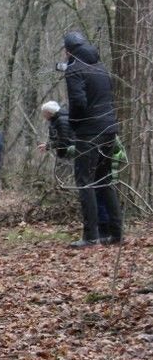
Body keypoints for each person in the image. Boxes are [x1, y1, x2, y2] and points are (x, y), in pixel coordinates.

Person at [61, 31, 123, 247]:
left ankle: (91, 236)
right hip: (109, 128)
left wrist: (75, 125)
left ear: (68, 50)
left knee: (85, 182)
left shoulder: (74, 69)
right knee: (105, 180)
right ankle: (115, 234)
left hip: (89, 131)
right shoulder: (100, 66)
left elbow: (78, 102)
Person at [39, 100, 122, 243]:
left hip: (96, 157)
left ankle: (103, 231)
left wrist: (54, 148)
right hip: (89, 155)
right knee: (99, 191)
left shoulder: (64, 121)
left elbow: (66, 142)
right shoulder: (65, 119)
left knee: (100, 192)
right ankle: (104, 231)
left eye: (44, 113)